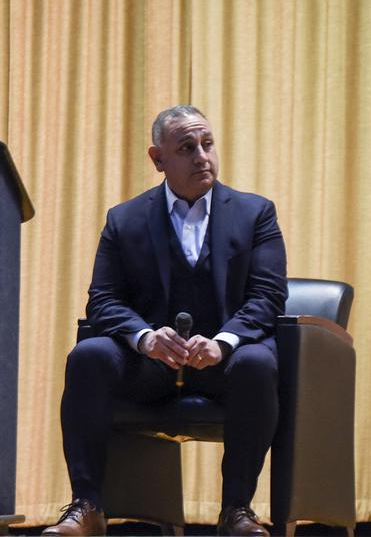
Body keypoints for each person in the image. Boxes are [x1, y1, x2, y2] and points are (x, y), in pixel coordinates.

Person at [44, 105, 288, 536]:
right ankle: (87, 506)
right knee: (89, 355)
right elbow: (103, 299)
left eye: (208, 145)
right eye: (187, 147)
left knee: (257, 362)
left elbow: (268, 296)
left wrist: (225, 342)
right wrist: (145, 338)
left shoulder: (256, 213)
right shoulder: (125, 219)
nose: (202, 157)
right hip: (149, 367)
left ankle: (236, 510)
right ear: (158, 159)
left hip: (223, 365)